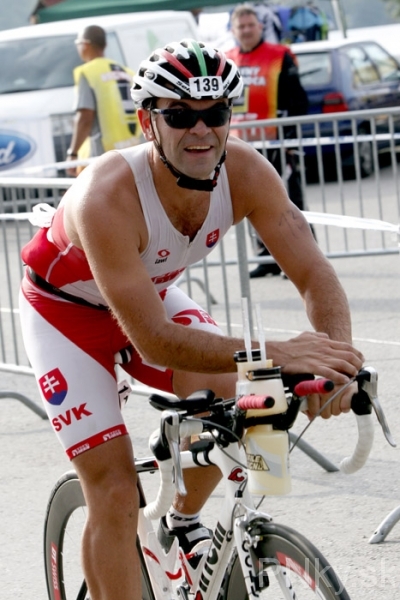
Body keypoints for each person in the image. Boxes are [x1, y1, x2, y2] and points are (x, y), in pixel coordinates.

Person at [19, 39, 364, 600]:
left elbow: (314, 274)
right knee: (114, 491)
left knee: (247, 401)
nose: (201, 130)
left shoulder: (246, 171)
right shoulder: (106, 194)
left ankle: (181, 522)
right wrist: (279, 353)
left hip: (148, 296)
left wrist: (336, 360)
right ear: (148, 122)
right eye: (179, 115)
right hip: (66, 316)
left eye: (216, 114)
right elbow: (156, 342)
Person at [226, 4, 310, 278]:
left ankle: (302, 258)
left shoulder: (280, 55)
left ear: (261, 27)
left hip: (277, 142)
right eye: (241, 26)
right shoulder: (227, 59)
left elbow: (298, 100)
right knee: (251, 203)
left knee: (289, 201)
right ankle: (267, 257)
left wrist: (290, 137)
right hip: (242, 146)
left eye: (251, 25)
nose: (246, 31)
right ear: (233, 30)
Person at [66, 25, 140, 176]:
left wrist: (73, 153)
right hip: (132, 151)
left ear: (85, 44)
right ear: (105, 45)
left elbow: (85, 117)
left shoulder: (88, 72)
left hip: (103, 155)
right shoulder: (127, 72)